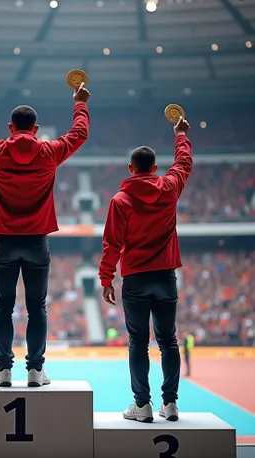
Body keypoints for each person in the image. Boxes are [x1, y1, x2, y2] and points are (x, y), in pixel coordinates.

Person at [0, 74, 90, 387]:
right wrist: (80, 103)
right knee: (37, 308)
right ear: (36, 129)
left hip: (4, 240)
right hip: (36, 241)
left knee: (2, 307)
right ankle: (35, 371)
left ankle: (3, 370)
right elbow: (79, 134)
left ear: (10, 128)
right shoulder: (49, 153)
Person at [99, 116, 192, 423]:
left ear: (130, 168)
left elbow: (111, 243)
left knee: (138, 342)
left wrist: (106, 279)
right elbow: (183, 163)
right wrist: (180, 134)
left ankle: (143, 405)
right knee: (169, 341)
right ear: (154, 168)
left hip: (136, 279)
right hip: (165, 277)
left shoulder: (120, 200)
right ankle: (171, 404)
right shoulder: (168, 189)